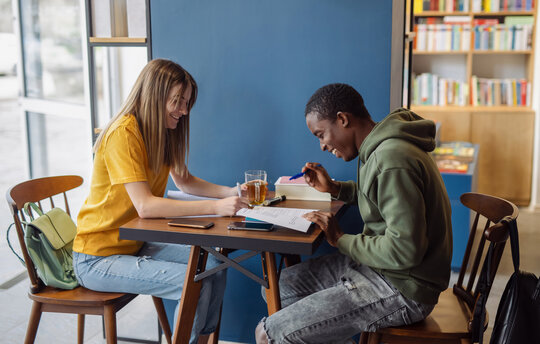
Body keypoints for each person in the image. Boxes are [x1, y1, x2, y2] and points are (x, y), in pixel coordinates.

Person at [255, 83, 452, 343]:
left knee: (269, 334)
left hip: (404, 287)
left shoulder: (392, 158)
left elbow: (405, 250)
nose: (323, 146)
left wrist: (340, 239)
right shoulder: (381, 147)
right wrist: (336, 188)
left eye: (321, 134)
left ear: (342, 119)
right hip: (383, 268)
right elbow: (383, 196)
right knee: (275, 287)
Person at [73, 59, 248, 344]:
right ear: (154, 97)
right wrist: (217, 208)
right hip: (96, 258)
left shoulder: (160, 131)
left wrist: (230, 193)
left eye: (187, 102)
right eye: (177, 101)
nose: (184, 110)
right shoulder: (123, 134)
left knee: (215, 264)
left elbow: (184, 181)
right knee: (193, 281)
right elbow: (146, 206)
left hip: (132, 245)